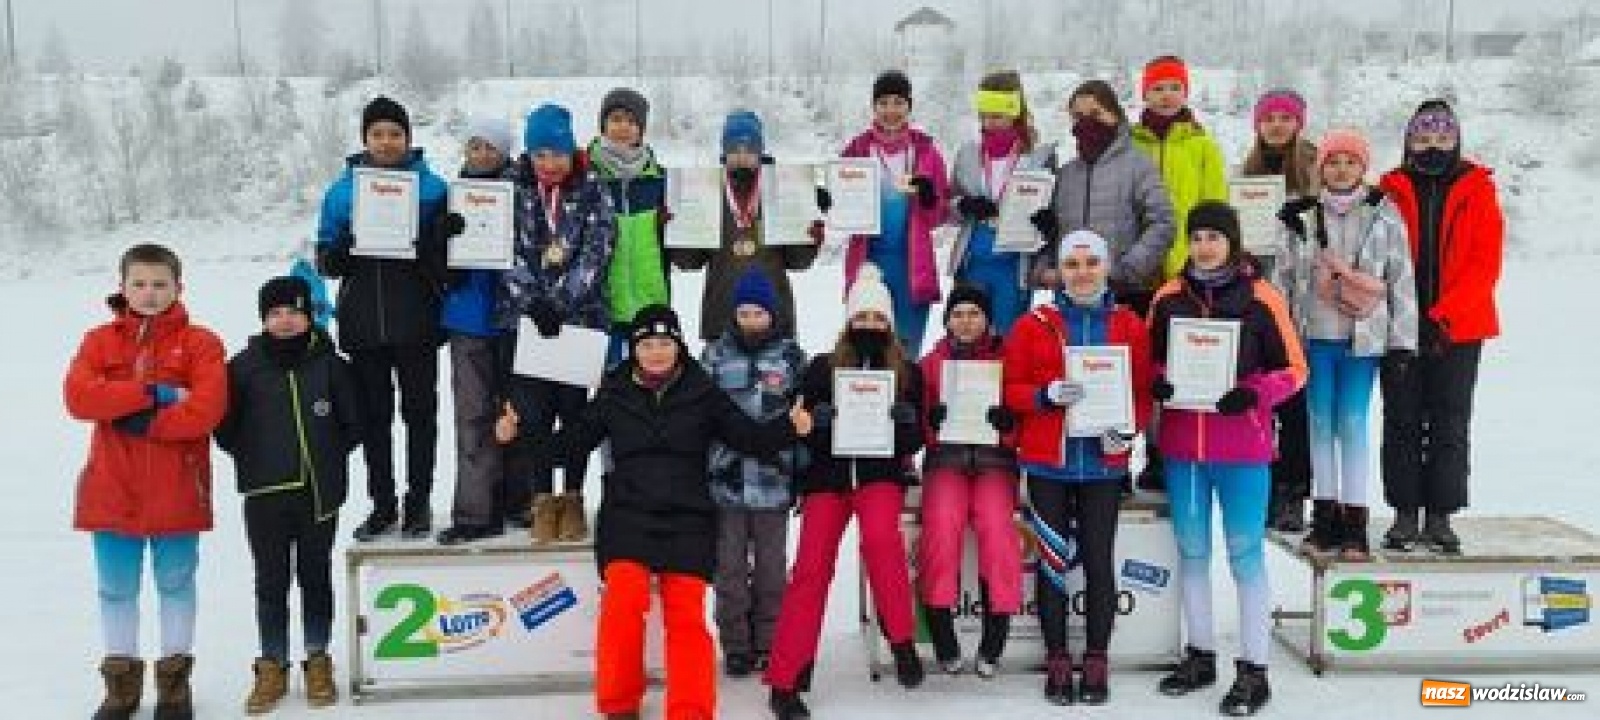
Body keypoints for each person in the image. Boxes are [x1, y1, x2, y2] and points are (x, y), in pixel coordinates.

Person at [546, 304, 810, 720]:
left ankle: (690, 710)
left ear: (678, 346)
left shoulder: (702, 391)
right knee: (622, 603)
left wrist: (788, 428)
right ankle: (618, 703)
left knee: (686, 615)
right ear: (634, 349)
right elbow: (572, 444)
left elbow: (748, 437)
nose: (656, 352)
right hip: (628, 516)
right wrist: (517, 436)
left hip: (687, 519)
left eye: (664, 343)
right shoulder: (614, 391)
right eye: (647, 344)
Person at [1147, 202, 1307, 717]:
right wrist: (1157, 382)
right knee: (1193, 554)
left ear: (1233, 242)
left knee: (1245, 558)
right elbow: (1150, 359)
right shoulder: (1168, 298)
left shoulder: (1263, 298)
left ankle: (1254, 668)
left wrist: (1252, 393)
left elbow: (1295, 369)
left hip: (1242, 449)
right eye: (1197, 237)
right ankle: (1200, 654)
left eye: (1215, 236)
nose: (1205, 246)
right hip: (1183, 449)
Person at [64, 243, 228, 720]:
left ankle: (174, 687)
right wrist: (152, 394)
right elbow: (79, 398)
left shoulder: (202, 343)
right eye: (139, 283)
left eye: (160, 284)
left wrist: (143, 421)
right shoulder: (99, 342)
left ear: (179, 287)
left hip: (179, 489)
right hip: (112, 490)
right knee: (115, 590)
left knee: (176, 585)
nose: (150, 293)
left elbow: (205, 411)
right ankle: (121, 687)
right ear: (122, 286)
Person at [765, 265, 928, 719]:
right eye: (863, 317)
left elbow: (913, 441)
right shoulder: (821, 367)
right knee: (811, 569)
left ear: (890, 324)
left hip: (877, 477)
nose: (870, 325)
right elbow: (800, 425)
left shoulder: (908, 372)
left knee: (881, 542)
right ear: (849, 321)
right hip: (829, 480)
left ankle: (901, 639)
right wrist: (809, 425)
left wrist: (906, 423)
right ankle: (786, 677)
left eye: (879, 318)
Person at [1003, 230, 1153, 705]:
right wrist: (1042, 397)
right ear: (1059, 272)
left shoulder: (1129, 324)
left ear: (1106, 267)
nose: (1082, 272)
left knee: (1098, 563)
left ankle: (1096, 657)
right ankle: (1057, 658)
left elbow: (1142, 392)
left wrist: (1128, 431)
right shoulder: (1033, 325)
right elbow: (1010, 390)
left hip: (1103, 468)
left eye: (1091, 262)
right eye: (1073, 264)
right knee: (1051, 567)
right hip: (1049, 464)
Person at [216, 276, 364, 713]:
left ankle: (317, 659)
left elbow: (353, 423)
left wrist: (327, 455)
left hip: (319, 492)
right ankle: (272, 664)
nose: (284, 321)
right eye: (275, 313)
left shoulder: (331, 364)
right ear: (264, 318)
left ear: (309, 315)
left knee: (316, 579)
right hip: (264, 494)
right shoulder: (242, 367)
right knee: (271, 582)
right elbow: (225, 429)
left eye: (293, 312)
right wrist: (258, 456)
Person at [1275, 128, 1418, 561]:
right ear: (1321, 169)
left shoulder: (1384, 213)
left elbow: (1401, 276)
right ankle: (1325, 516)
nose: (1341, 169)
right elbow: (1281, 279)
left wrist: (1402, 342)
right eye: (1333, 161)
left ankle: (1355, 521)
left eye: (1350, 162)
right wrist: (1281, 339)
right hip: (1314, 337)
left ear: (1363, 167)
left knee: (1353, 425)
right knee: (1319, 424)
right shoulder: (1298, 216)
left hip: (1364, 339)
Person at [315, 96, 450, 541]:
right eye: (378, 134)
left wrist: (438, 237)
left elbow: (446, 259)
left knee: (420, 416)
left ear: (409, 139)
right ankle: (383, 505)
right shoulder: (341, 192)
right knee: (375, 419)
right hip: (363, 324)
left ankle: (418, 504)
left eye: (395, 134)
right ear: (364, 139)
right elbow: (326, 259)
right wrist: (337, 252)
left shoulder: (432, 190)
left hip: (417, 321)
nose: (387, 142)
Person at [1375, 99, 1504, 555]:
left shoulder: (1477, 189)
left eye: (1442, 138)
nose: (1432, 146)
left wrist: (1444, 318)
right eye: (1423, 138)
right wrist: (1402, 317)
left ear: (1457, 140)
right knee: (1402, 420)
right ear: (1409, 142)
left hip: (1460, 327)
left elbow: (1483, 263)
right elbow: (1375, 256)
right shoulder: (1389, 190)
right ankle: (1405, 512)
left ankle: (1441, 515)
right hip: (1400, 326)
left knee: (1449, 421)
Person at [501, 102, 617, 544]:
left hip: (579, 324)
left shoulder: (593, 187)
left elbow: (599, 248)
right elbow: (502, 250)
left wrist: (563, 301)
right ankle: (543, 501)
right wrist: (532, 302)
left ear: (572, 153)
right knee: (533, 417)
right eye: (541, 154)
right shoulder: (511, 188)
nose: (550, 164)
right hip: (527, 324)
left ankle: (571, 498)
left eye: (559, 154)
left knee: (574, 417)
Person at [702, 268, 809, 678]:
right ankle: (735, 642)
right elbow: (701, 416)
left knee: (770, 567)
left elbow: (800, 422)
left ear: (772, 314)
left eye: (758, 313)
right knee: (728, 568)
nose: (750, 321)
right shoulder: (714, 355)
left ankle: (769, 638)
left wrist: (800, 473)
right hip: (725, 483)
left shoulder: (790, 357)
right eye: (743, 313)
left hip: (772, 482)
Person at [917, 284, 1023, 678]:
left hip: (994, 462)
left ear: (988, 320)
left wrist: (1008, 426)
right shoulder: (932, 364)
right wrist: (932, 423)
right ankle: (942, 629)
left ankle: (995, 633)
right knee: (942, 526)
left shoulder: (1007, 359)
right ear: (947, 321)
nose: (966, 321)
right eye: (958, 314)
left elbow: (1022, 415)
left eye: (974, 314)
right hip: (947, 460)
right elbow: (919, 418)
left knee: (997, 528)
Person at [435, 116, 522, 545]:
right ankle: (474, 511)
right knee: (472, 415)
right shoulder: (454, 196)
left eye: (491, 146)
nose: (483, 154)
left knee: (516, 414)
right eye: (475, 146)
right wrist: (442, 247)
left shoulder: (523, 193)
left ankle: (517, 503)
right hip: (468, 318)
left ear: (505, 150)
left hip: (516, 316)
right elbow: (431, 260)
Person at [820, 70, 950, 356]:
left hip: (912, 265)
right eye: (883, 103)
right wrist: (827, 199)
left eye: (898, 102)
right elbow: (838, 203)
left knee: (906, 348)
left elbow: (941, 214)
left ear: (909, 106)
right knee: (865, 344)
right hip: (869, 262)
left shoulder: (926, 151)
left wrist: (929, 198)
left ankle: (904, 400)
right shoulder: (858, 149)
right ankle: (864, 399)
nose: (891, 110)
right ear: (874, 106)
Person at [1241, 88, 1318, 532]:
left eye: (1285, 117)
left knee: (1295, 403)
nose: (1276, 125)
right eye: (1268, 117)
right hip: (1256, 299)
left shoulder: (1314, 170)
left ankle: (1293, 491)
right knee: (1261, 397)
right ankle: (1265, 486)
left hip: (1300, 299)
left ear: (1299, 123)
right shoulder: (1247, 173)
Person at [676, 110, 819, 342]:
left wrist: (810, 235)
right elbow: (688, 262)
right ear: (724, 152)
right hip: (720, 319)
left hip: (773, 319)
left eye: (749, 149)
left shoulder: (783, 192)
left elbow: (798, 262)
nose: (742, 156)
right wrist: (676, 227)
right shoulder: (705, 193)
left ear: (760, 151)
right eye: (734, 149)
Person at [947, 70, 1058, 334]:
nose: (990, 122)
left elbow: (1051, 208)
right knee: (969, 337)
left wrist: (1048, 222)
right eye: (984, 115)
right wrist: (963, 205)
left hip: (1013, 265)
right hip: (974, 262)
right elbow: (948, 204)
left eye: (997, 115)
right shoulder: (967, 154)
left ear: (1015, 113)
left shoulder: (1040, 157)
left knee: (1008, 340)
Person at [587, 87, 671, 367]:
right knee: (609, 394)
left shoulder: (661, 181)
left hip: (651, 306)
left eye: (632, 121)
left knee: (652, 394)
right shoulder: (586, 177)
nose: (623, 127)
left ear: (642, 129)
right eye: (616, 118)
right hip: (602, 306)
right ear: (603, 125)